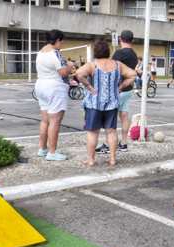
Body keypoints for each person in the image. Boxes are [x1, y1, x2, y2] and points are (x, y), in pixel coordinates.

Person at [75, 40, 136, 167]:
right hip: (112, 103)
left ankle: (91, 160)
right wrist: (120, 86)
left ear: (95, 52)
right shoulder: (118, 64)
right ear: (108, 51)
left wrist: (89, 87)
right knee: (111, 131)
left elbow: (79, 74)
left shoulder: (93, 65)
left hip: (94, 104)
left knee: (93, 132)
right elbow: (132, 74)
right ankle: (113, 159)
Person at [96, 30, 138, 154]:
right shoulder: (134, 54)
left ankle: (108, 144)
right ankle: (124, 143)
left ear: (120, 39)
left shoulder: (119, 53)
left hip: (118, 89)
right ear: (132, 40)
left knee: (110, 116)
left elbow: (110, 68)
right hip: (128, 88)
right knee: (124, 116)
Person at [34, 29, 74, 161]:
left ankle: (42, 148)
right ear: (57, 40)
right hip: (54, 87)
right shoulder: (55, 53)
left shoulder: (40, 52)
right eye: (61, 42)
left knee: (45, 120)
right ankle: (52, 152)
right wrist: (70, 66)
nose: (61, 45)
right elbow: (63, 72)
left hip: (41, 85)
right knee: (55, 121)